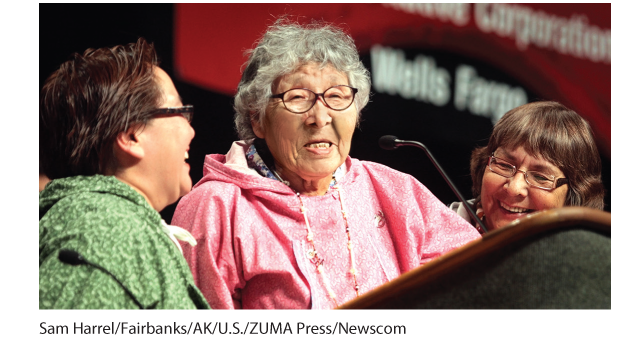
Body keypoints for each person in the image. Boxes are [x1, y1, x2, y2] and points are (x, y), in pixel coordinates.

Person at [171, 19, 480, 309]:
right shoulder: (217, 208)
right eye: (297, 98)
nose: (320, 117)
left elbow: (478, 280)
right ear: (257, 118)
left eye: (336, 95)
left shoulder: (396, 191)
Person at [39, 38, 209, 309]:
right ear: (132, 135)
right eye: (180, 112)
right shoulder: (105, 232)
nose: (191, 131)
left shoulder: (107, 226)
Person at [450, 101, 605, 233]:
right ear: (485, 165)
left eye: (540, 177)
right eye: (504, 165)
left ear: (573, 197)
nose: (514, 188)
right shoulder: (435, 231)